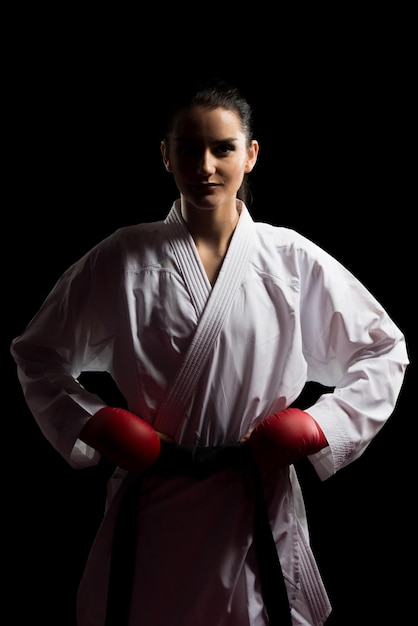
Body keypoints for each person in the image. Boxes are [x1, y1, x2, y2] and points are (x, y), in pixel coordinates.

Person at [10, 77, 409, 626]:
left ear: (250, 156)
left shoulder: (289, 258)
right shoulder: (123, 257)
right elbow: (37, 354)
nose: (205, 166)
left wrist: (318, 428)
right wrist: (97, 423)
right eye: (188, 149)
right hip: (154, 504)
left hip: (253, 499)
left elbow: (384, 349)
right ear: (165, 157)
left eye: (222, 149)